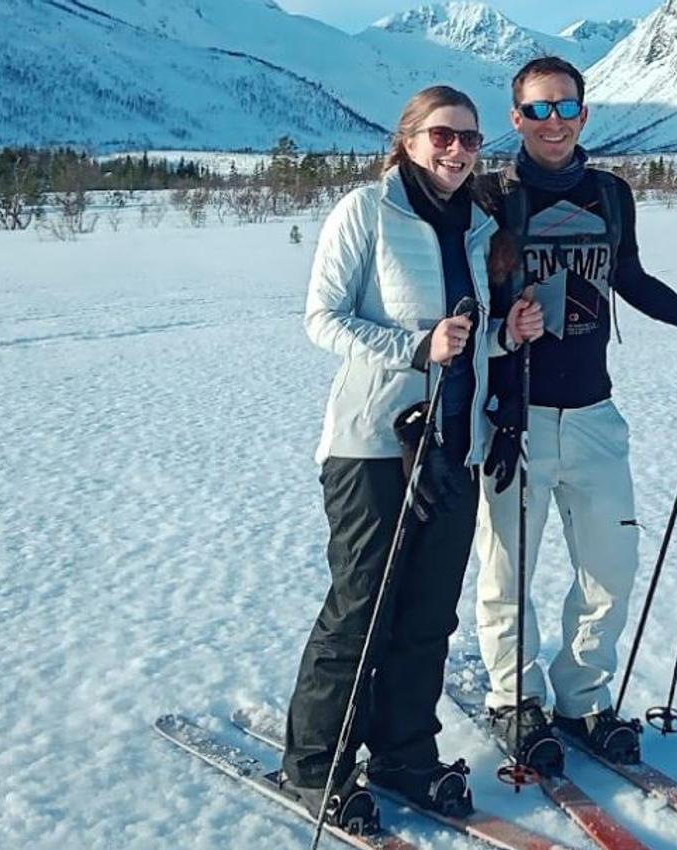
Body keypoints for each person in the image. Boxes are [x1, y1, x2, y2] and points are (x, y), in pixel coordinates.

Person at [282, 85, 545, 826]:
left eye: (469, 138)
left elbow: (466, 342)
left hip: (455, 446)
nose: (458, 150)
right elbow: (322, 320)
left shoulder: (478, 225)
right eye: (442, 136)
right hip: (374, 445)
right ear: (409, 139)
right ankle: (314, 765)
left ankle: (403, 754)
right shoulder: (368, 212)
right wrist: (413, 346)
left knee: (429, 616)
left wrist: (505, 336)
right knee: (361, 608)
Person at [473, 57, 677, 774]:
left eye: (565, 108)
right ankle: (514, 701)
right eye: (537, 110)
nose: (552, 122)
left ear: (584, 116)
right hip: (514, 418)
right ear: (516, 118)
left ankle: (582, 699)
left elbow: (631, 278)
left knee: (610, 568)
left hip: (593, 414)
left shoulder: (612, 196)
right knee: (506, 573)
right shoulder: (490, 196)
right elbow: (466, 291)